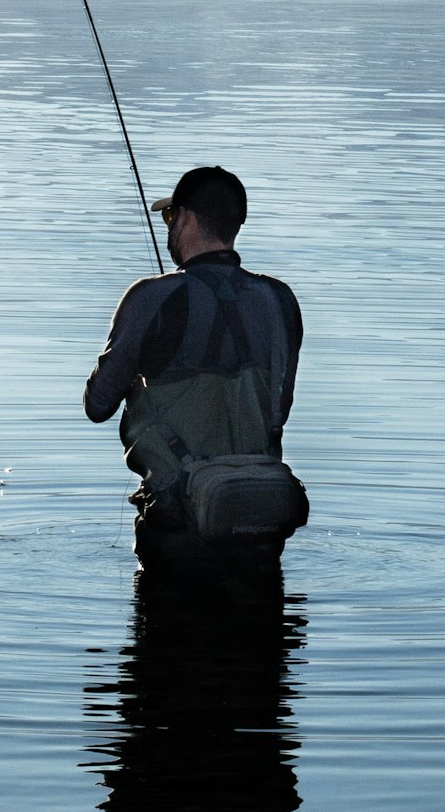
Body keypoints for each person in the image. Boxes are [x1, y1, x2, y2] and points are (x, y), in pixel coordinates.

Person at [83, 166, 305, 554]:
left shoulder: (150, 298)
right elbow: (279, 410)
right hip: (262, 522)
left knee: (169, 614)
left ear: (183, 217)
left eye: (169, 217)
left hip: (179, 529)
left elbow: (98, 404)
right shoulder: (280, 301)